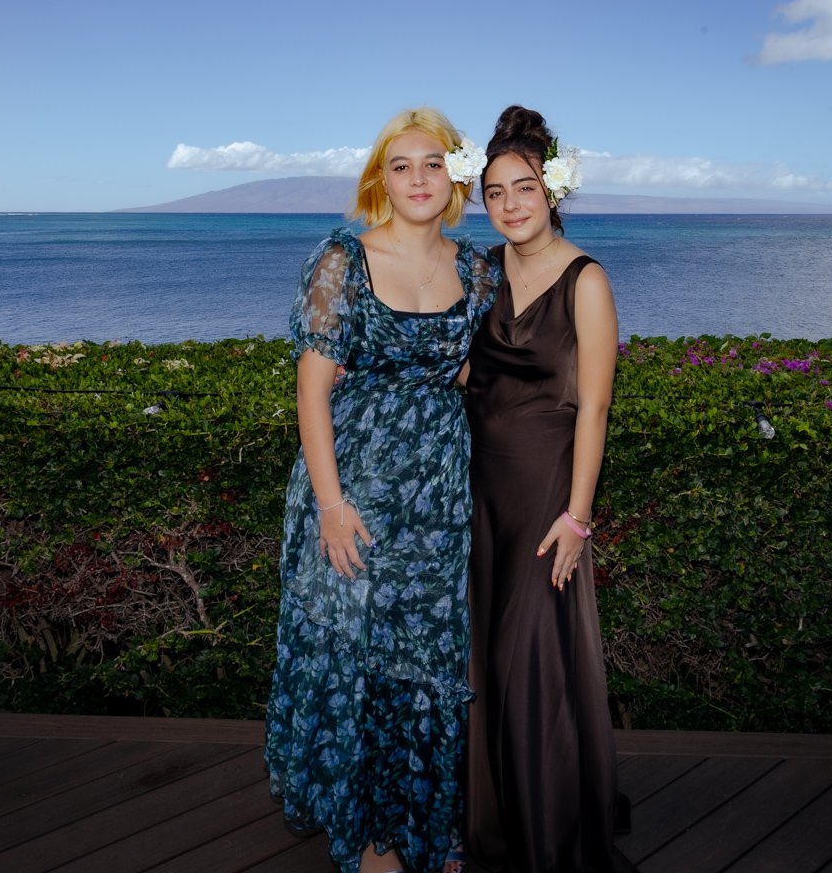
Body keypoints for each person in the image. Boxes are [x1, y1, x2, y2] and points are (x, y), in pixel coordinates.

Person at [265, 107, 497, 873]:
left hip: (436, 500)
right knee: (359, 660)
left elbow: (474, 373)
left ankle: (425, 826)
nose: (419, 179)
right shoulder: (342, 258)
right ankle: (371, 841)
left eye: (433, 163)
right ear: (381, 181)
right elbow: (312, 392)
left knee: (426, 661)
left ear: (455, 176)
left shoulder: (477, 269)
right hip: (354, 489)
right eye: (402, 166)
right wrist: (330, 506)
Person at [463, 105, 635, 872]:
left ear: (552, 190)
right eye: (495, 192)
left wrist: (578, 518)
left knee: (529, 660)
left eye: (523, 188)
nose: (509, 205)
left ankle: (550, 837)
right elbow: (464, 370)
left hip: (544, 500)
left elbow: (593, 406)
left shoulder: (585, 279)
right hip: (478, 493)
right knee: (485, 660)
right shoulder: (481, 272)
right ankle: (496, 823)